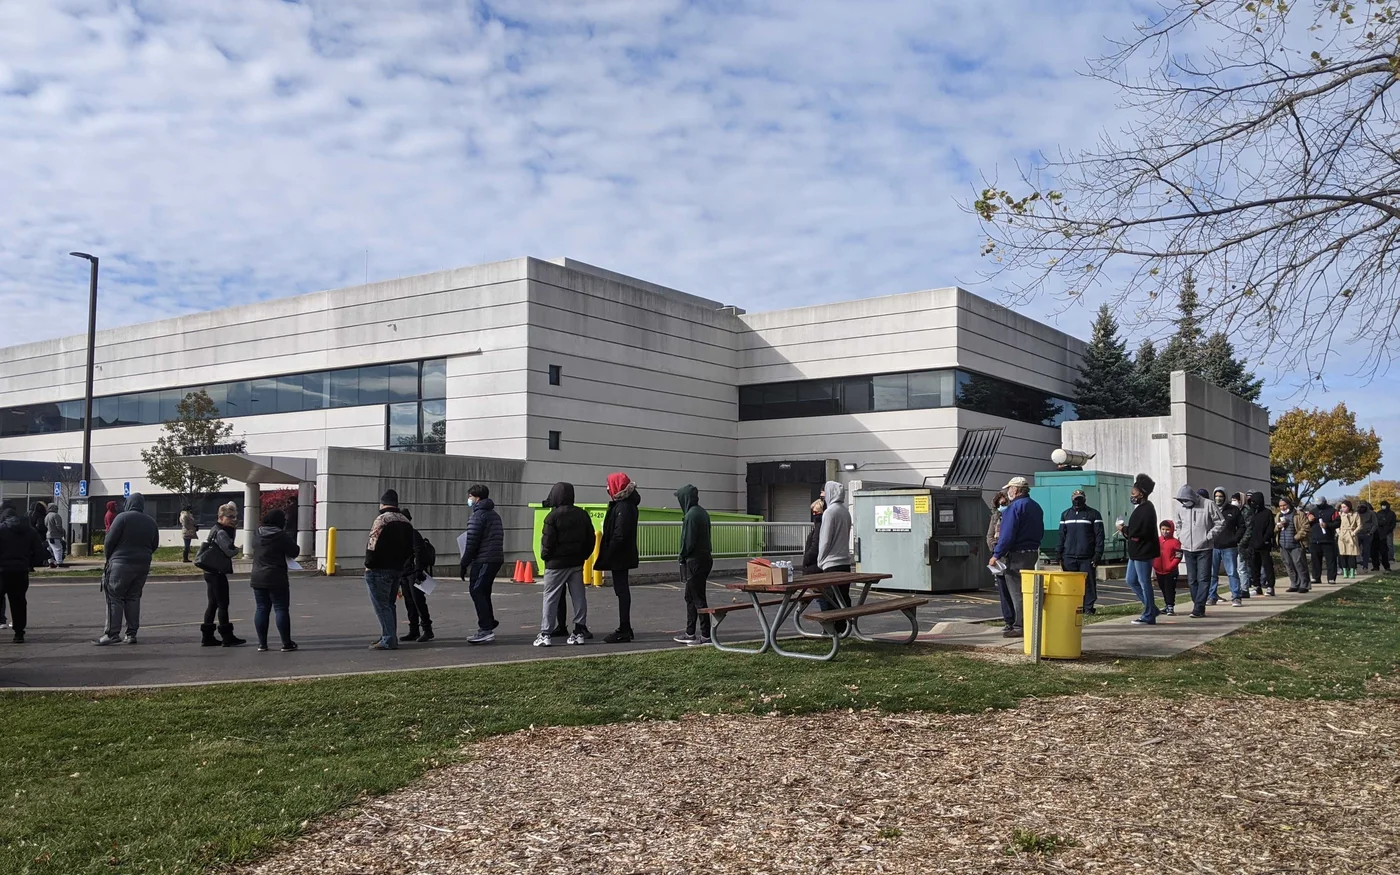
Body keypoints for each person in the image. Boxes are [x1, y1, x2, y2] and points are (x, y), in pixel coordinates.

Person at [535, 482, 594, 647]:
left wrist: (546, 557)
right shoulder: (582, 514)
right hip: (576, 562)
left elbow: (547, 542)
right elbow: (591, 538)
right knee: (578, 596)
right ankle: (579, 631)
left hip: (556, 564)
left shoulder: (552, 516)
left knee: (550, 597)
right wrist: (583, 556)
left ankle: (545, 633)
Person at [97, 492, 159, 645]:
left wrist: (108, 558)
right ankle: (131, 634)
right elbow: (154, 544)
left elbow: (109, 541)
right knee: (133, 597)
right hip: (143, 564)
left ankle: (112, 634)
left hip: (120, 562)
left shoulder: (122, 518)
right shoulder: (151, 522)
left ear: (128, 503)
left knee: (114, 597)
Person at [990, 475, 1044, 639]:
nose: (1008, 492)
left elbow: (1007, 535)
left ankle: (1020, 625)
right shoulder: (1035, 506)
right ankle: (1029, 622)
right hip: (1031, 552)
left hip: (1017, 555)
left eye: (1009, 489)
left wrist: (996, 554)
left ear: (1015, 490)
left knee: (1017, 592)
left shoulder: (1014, 508)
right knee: (1028, 590)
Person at [364, 489, 416, 651]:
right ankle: (388, 635)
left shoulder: (382, 520)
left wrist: (368, 564)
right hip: (397, 569)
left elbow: (372, 543)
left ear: (382, 504)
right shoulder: (406, 521)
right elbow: (410, 548)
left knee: (381, 605)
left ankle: (388, 638)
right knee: (390, 604)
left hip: (379, 568)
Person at [596, 473, 641, 644]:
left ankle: (624, 628)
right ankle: (625, 627)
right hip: (622, 554)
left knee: (622, 591)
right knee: (621, 591)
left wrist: (608, 553)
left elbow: (619, 535)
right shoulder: (625, 505)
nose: (607, 488)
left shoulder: (624, 507)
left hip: (620, 555)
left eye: (609, 485)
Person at [459, 484, 505, 645]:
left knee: (477, 590)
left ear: (477, 498)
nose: (468, 499)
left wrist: (464, 563)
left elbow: (472, 542)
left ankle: (485, 629)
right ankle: (489, 621)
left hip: (484, 559)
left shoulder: (477, 516)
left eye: (470, 496)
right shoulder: (494, 515)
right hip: (495, 557)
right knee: (484, 591)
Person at [196, 501, 244, 646]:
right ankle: (227, 636)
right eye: (229, 517)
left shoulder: (215, 528)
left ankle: (207, 636)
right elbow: (229, 551)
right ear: (221, 517)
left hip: (209, 570)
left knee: (213, 604)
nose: (233, 519)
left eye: (234, 517)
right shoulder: (222, 532)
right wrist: (238, 549)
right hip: (217, 571)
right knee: (223, 604)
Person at [250, 509, 299, 652]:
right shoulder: (281, 535)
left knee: (261, 608)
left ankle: (262, 643)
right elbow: (294, 551)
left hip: (257, 576)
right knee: (281, 608)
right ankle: (286, 643)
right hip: (276, 576)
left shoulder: (257, 533)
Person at [0, 501, 48, 643]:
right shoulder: (30, 531)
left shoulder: (1, 529)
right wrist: (29, 563)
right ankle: (19, 633)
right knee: (19, 602)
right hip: (21, 571)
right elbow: (39, 553)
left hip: (2, 571)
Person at [1173, 484, 1223, 618]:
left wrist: (1209, 536)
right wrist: (1181, 536)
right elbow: (1178, 524)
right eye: (1181, 501)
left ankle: (1199, 607)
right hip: (1187, 548)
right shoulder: (1180, 508)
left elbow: (1220, 522)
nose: (1184, 503)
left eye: (1185, 500)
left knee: (1203, 578)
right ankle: (1198, 605)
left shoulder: (1208, 504)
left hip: (1204, 548)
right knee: (1192, 580)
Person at [1116, 473, 1160, 625]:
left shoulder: (1147, 509)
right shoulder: (1141, 508)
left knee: (1144, 581)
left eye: (1133, 492)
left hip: (1143, 551)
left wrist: (1124, 529)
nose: (1132, 495)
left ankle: (1149, 614)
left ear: (1141, 493)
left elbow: (1139, 531)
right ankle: (1151, 608)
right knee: (1131, 580)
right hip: (1136, 551)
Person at [673, 484, 714, 646]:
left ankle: (705, 635)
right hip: (704, 558)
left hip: (694, 560)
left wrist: (681, 556)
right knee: (690, 597)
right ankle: (690, 632)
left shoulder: (690, 516)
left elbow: (687, 541)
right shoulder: (702, 512)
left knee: (697, 598)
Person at [1056, 489, 1104, 615]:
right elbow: (1061, 535)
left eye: (1080, 499)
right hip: (1069, 556)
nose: (1078, 501)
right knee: (1071, 584)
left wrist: (1098, 554)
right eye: (1076, 499)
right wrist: (1059, 552)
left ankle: (1088, 608)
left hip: (1087, 556)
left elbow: (1099, 536)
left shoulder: (1094, 514)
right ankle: (1073, 607)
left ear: (1084, 499)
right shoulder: (1065, 514)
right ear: (1072, 499)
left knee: (1088, 584)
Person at [814, 480, 854, 629]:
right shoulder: (845, 511)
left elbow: (825, 540)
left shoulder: (830, 512)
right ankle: (844, 627)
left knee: (831, 599)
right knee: (843, 597)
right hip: (845, 562)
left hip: (831, 563)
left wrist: (820, 560)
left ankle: (833, 630)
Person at [397, 508, 433, 643]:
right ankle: (413, 630)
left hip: (414, 573)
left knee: (418, 602)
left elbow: (419, 553)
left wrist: (418, 571)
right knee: (409, 602)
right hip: (404, 573)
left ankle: (427, 630)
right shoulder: (400, 535)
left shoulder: (412, 534)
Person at [1211, 487, 1245, 605]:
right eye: (1216, 496)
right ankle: (1212, 596)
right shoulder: (1211, 509)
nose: (1218, 498)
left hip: (1229, 547)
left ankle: (1236, 596)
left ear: (1225, 497)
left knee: (1232, 572)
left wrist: (1235, 539)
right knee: (1212, 573)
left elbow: (1242, 526)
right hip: (1213, 546)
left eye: (1221, 496)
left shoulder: (1233, 510)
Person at [986, 492, 1014, 632]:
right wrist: (994, 548)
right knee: (1003, 592)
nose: (1001, 506)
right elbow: (989, 536)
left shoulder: (1013, 516)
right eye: (999, 505)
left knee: (1015, 591)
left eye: (1004, 504)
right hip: (999, 558)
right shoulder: (995, 517)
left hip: (1012, 557)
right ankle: (1009, 621)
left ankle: (1019, 620)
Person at [1243, 491, 1277, 596]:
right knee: (1254, 566)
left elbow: (1270, 529)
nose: (1253, 503)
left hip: (1264, 545)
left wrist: (1265, 539)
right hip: (1252, 545)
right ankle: (1257, 586)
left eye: (1255, 501)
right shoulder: (1251, 513)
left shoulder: (1267, 513)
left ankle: (1270, 586)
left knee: (1267, 566)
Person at [1276, 497, 1310, 593]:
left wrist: (1297, 537)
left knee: (1300, 564)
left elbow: (1306, 527)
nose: (1282, 507)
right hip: (1283, 544)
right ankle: (1294, 584)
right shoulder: (1279, 515)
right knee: (1289, 565)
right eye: (1280, 506)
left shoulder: (1298, 514)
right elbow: (1274, 528)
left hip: (1296, 544)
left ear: (1289, 504)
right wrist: (1278, 526)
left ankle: (1304, 585)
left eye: (1284, 505)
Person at [1307, 497, 1339, 586]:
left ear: (1324, 502)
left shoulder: (1332, 511)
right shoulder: (1312, 511)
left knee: (1330, 560)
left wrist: (1327, 525)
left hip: (1328, 540)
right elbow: (1305, 523)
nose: (1319, 505)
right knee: (1315, 560)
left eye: (1320, 504)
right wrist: (1309, 520)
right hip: (1315, 539)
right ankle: (1316, 577)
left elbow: (1337, 523)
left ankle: (1331, 578)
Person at [1153, 520, 1182, 616]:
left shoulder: (1176, 542)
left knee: (1170, 589)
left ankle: (1170, 606)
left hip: (1171, 571)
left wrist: (1171, 566)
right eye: (1163, 529)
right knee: (1163, 588)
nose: (1165, 531)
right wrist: (1154, 564)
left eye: (1167, 529)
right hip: (1159, 570)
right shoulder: (1157, 541)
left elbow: (1178, 556)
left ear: (1172, 530)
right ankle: (1167, 604)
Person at [1337, 500, 1360, 578]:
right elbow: (1336, 524)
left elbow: (1360, 525)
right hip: (1342, 535)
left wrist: (1354, 533)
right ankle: (1345, 571)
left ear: (1349, 507)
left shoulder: (1355, 514)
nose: (1342, 508)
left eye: (1344, 507)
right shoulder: (1340, 515)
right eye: (1342, 507)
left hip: (1351, 535)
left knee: (1352, 554)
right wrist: (1338, 532)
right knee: (1343, 554)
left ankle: (1352, 571)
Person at [803, 498, 826, 576]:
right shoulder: (820, 526)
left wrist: (806, 559)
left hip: (814, 565)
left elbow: (815, 545)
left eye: (815, 512)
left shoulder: (819, 526)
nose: (813, 514)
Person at [1356, 501, 1377, 573]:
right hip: (1357, 534)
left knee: (1366, 551)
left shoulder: (1371, 513)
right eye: (1360, 507)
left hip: (1367, 534)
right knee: (1355, 550)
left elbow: (1375, 524)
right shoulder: (1356, 513)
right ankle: (1354, 566)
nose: (1361, 509)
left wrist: (1370, 532)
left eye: (1363, 507)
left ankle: (1365, 566)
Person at [1376, 500, 1396, 572]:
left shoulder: (1392, 513)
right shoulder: (1379, 513)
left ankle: (1390, 558)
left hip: (1388, 532)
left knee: (1389, 545)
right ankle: (1380, 558)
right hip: (1381, 532)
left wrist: (1389, 529)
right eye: (1382, 505)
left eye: (1384, 505)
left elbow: (1393, 523)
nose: (1383, 506)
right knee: (1380, 546)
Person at [43, 503, 65, 568]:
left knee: (49, 549)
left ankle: (51, 562)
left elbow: (45, 525)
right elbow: (59, 526)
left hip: (48, 535)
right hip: (55, 535)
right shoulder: (56, 515)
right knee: (58, 549)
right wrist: (62, 532)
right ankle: (59, 562)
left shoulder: (47, 516)